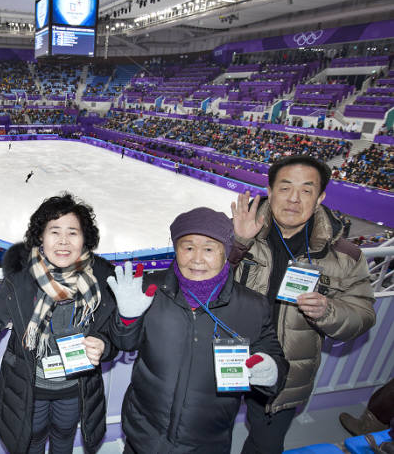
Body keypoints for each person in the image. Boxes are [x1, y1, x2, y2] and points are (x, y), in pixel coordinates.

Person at [107, 208, 287, 453]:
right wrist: (127, 319)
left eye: (209, 249)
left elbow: (273, 356)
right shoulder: (150, 289)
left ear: (226, 251)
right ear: (176, 249)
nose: (197, 259)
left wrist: (270, 370)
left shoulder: (252, 306)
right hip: (144, 435)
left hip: (207, 440)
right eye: (188, 247)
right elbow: (124, 343)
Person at [230, 155, 376, 454]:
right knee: (206, 436)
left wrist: (329, 311)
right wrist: (237, 244)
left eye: (307, 190)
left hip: (286, 373)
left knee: (265, 445)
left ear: (320, 196)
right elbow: (195, 284)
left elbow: (363, 313)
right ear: (270, 191)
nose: (294, 199)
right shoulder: (237, 230)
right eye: (285, 188)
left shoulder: (345, 255)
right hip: (225, 358)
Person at [0, 194, 118, 454]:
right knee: (33, 441)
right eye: (54, 231)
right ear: (41, 236)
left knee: (64, 439)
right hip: (30, 391)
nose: (63, 241)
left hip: (75, 389)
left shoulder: (101, 280)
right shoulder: (19, 279)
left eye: (72, 232)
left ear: (84, 238)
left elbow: (112, 336)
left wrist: (104, 346)